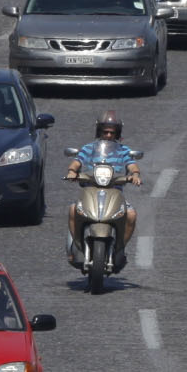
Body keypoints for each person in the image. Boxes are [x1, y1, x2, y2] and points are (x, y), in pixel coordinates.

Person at [66, 111, 142, 262]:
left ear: (117, 133)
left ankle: (119, 248)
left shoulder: (123, 150)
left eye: (111, 133)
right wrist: (72, 171)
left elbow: (132, 165)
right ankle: (77, 245)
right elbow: (77, 161)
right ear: (99, 131)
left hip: (115, 192)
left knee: (131, 215)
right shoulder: (89, 148)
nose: (108, 135)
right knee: (73, 210)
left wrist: (135, 175)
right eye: (105, 132)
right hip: (90, 191)